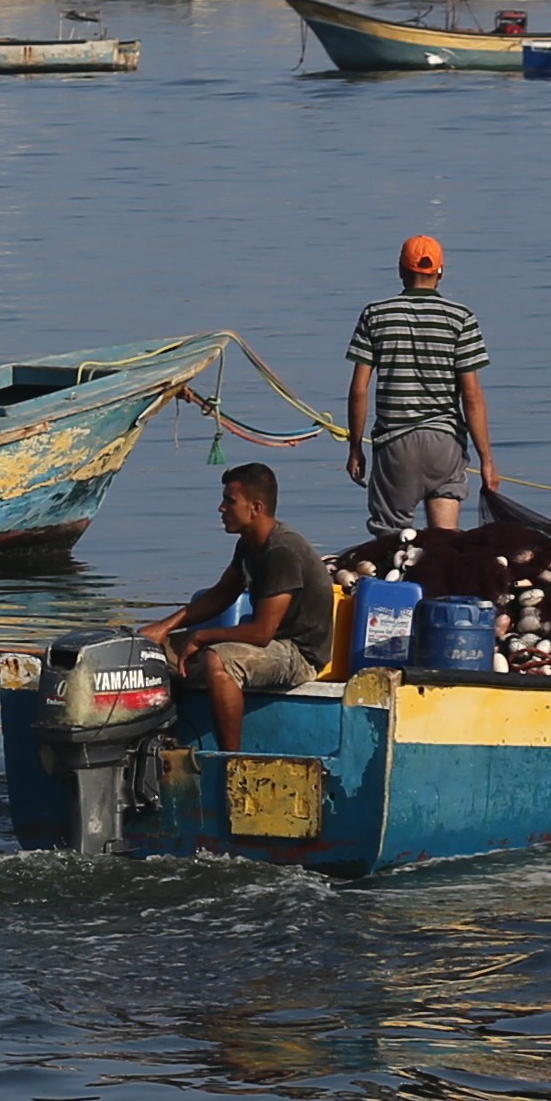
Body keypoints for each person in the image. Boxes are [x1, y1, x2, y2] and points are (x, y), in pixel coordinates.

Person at [143, 461, 336, 748]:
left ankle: (229, 759)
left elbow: (261, 633)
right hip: (269, 645)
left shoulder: (281, 551)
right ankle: (161, 745)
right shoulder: (248, 544)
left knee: (219, 660)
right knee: (152, 655)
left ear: (255, 508)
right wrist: (162, 629)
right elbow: (221, 595)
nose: (221, 509)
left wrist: (203, 636)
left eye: (229, 501)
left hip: (299, 654)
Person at [342, 234, 494, 533]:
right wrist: (486, 458)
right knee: (445, 541)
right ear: (440, 272)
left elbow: (359, 390)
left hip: (395, 443)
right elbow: (472, 395)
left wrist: (355, 446)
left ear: (400, 270)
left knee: (390, 540)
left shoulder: (375, 314)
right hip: (445, 445)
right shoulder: (461, 317)